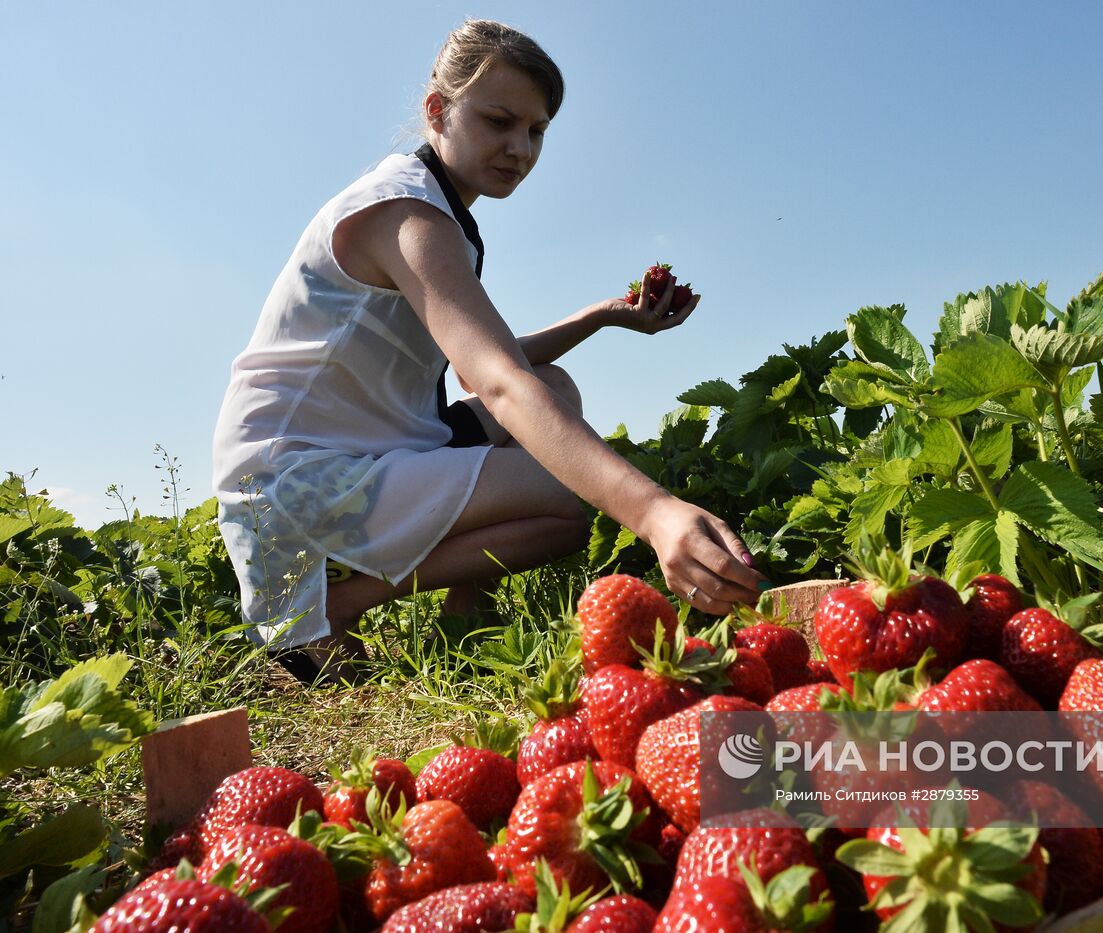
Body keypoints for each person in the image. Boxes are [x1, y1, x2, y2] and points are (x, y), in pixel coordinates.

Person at [211, 19, 764, 683]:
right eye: (500, 121)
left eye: (536, 131)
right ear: (437, 112)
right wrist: (652, 511)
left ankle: (463, 619)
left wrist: (604, 316)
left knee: (554, 386)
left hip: (363, 446)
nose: (519, 149)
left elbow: (494, 358)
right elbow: (496, 379)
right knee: (563, 500)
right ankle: (332, 610)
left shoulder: (436, 212)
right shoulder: (408, 216)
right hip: (293, 478)